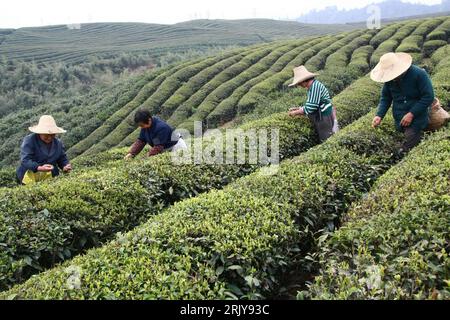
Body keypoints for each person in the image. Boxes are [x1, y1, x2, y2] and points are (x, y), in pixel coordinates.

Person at [370, 52, 434, 152]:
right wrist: (379, 115)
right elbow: (386, 98)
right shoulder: (390, 80)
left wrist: (411, 114)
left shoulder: (419, 74)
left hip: (417, 117)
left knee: (406, 148)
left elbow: (428, 96)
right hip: (399, 117)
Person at [17, 115, 72, 185]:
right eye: (46, 135)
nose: (49, 138)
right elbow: (25, 160)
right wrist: (39, 167)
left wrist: (65, 166)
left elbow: (62, 158)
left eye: (52, 135)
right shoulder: (30, 140)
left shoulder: (58, 143)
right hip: (30, 176)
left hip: (50, 176)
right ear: (40, 132)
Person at [288, 65, 336, 142]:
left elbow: (312, 107)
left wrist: (295, 113)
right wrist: (299, 108)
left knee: (327, 140)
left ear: (304, 80)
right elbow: (312, 104)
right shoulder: (313, 86)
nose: (299, 85)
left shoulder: (315, 87)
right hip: (322, 115)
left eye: (299, 83)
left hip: (323, 117)